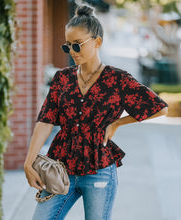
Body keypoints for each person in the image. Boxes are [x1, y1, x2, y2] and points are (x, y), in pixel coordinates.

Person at [24, 4, 168, 220]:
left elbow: (159, 108)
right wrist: (29, 161)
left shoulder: (118, 79)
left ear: (97, 42)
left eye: (77, 45)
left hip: (99, 169)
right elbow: (45, 120)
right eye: (67, 47)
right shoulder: (62, 79)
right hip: (61, 169)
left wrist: (117, 123)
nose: (72, 51)